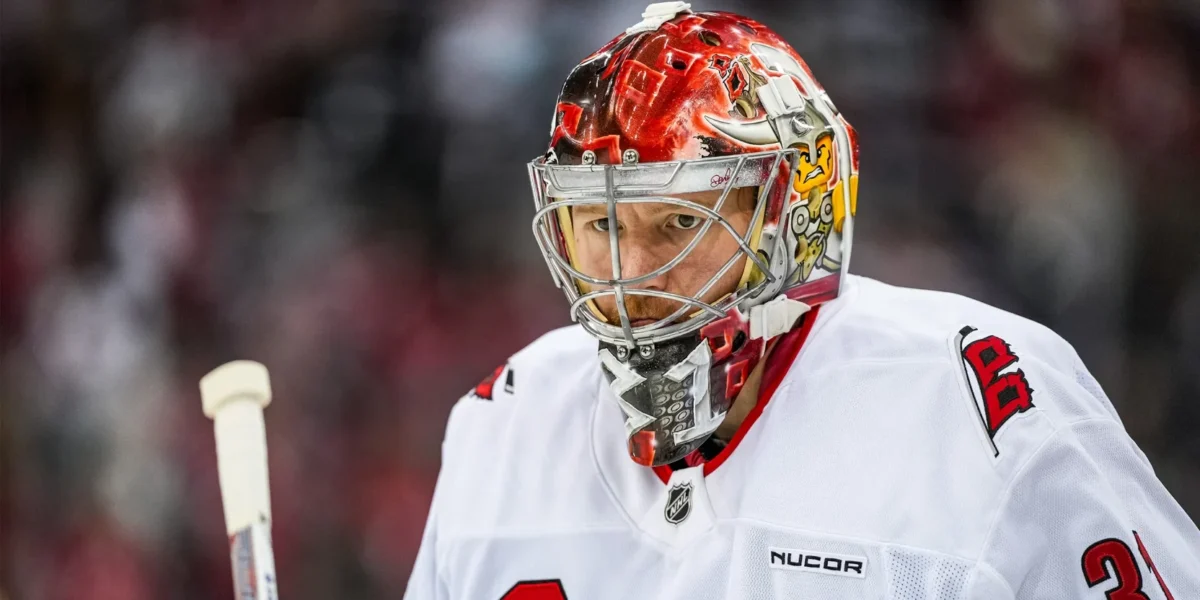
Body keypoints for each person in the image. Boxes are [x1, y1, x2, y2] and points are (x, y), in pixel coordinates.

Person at [404, 3, 1200, 598]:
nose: (629, 273)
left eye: (680, 220)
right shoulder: (503, 423)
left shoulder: (979, 397)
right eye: (597, 223)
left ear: (796, 215)